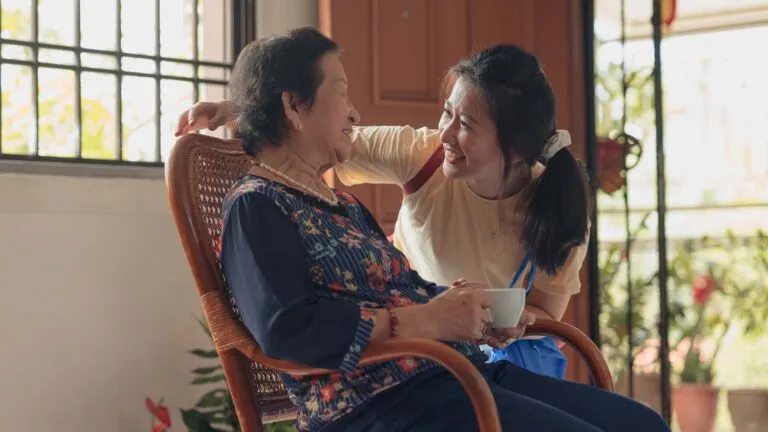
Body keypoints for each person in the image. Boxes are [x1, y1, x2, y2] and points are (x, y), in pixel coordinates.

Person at [216, 27, 669, 432]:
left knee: (642, 425)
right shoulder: (259, 205)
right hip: (380, 401)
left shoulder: (342, 206)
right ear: (295, 106)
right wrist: (430, 317)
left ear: (513, 145)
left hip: (448, 372)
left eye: (467, 123)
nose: (354, 114)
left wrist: (462, 308)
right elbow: (288, 328)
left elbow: (403, 288)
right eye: (342, 93)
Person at [177, 38, 588, 380]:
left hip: (475, 354)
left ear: (515, 147)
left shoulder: (559, 204)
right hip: (419, 362)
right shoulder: (419, 156)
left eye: (467, 124)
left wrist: (487, 320)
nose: (444, 132)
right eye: (448, 113)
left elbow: (545, 312)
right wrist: (241, 111)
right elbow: (318, 134)